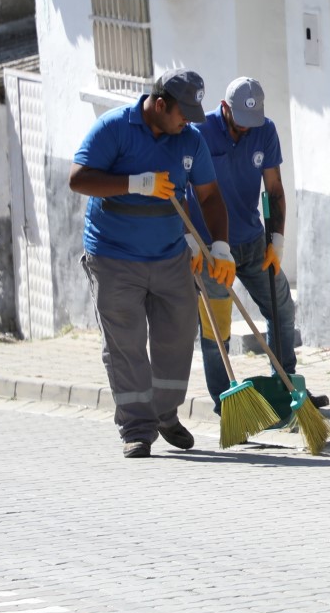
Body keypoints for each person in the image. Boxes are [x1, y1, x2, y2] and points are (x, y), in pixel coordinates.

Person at [69, 69, 236, 458]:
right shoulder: (114, 129)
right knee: (125, 342)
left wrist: (221, 247)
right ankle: (137, 427)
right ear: (160, 105)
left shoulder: (190, 141)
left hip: (168, 254)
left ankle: (165, 413)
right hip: (113, 257)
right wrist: (135, 183)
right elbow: (79, 179)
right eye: (183, 114)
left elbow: (209, 197)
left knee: (177, 334)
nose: (188, 123)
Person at [187, 76, 326, 411]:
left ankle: (286, 386)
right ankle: (228, 404)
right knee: (216, 328)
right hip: (211, 251)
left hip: (252, 243)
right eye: (240, 124)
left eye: (253, 123)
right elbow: (181, 187)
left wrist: (276, 240)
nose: (246, 130)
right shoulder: (199, 133)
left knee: (282, 309)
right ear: (224, 108)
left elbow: (274, 189)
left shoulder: (265, 129)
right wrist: (189, 239)